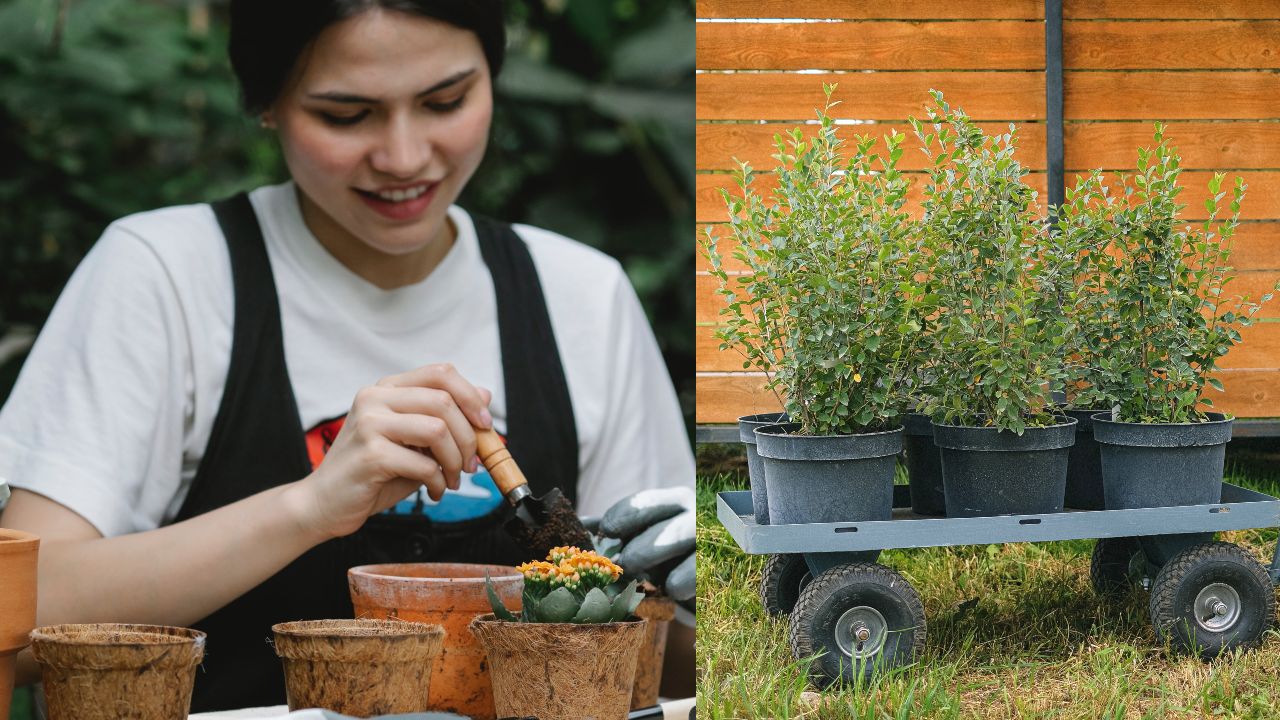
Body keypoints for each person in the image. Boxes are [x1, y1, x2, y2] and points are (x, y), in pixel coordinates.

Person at [0, 0, 694, 711]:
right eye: (345, 114)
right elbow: (12, 631)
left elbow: (662, 673)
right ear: (265, 103)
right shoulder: (168, 276)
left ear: (495, 73)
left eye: (445, 101)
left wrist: (704, 592)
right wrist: (309, 507)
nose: (403, 156)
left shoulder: (581, 295)